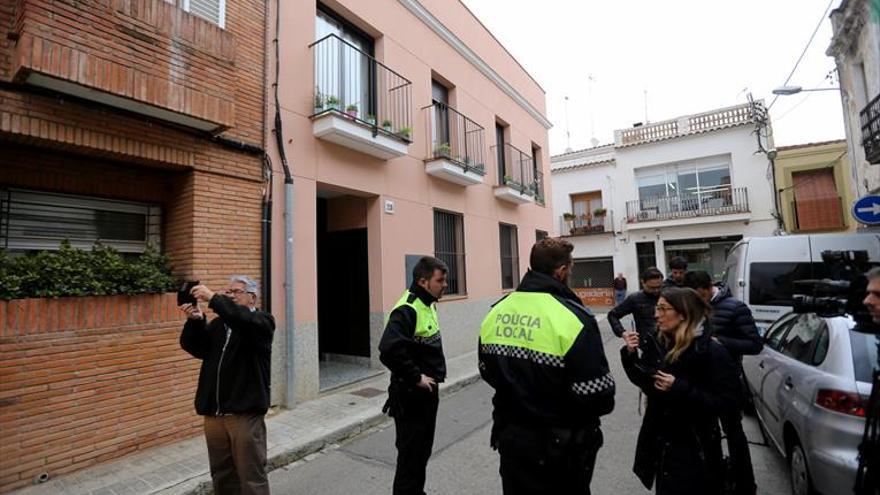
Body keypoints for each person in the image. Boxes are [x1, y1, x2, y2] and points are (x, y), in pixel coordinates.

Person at [479, 237, 615, 495]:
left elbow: (487, 371)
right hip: (561, 448)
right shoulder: (574, 317)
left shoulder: (496, 312)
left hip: (512, 439)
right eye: (571, 269)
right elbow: (599, 396)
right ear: (562, 271)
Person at [620, 287, 740, 495]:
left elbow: (728, 404)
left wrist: (680, 388)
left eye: (663, 309)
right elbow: (649, 384)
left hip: (696, 448)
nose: (656, 314)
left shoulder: (712, 351)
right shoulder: (660, 342)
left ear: (683, 313)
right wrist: (630, 356)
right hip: (663, 445)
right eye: (657, 308)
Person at [179, 275, 275, 495]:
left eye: (236, 292)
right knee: (222, 474)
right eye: (228, 292)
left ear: (252, 297)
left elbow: (243, 321)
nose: (230, 296)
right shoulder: (219, 325)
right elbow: (196, 348)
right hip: (215, 413)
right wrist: (195, 321)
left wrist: (213, 298)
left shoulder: (262, 322)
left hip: (244, 414)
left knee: (251, 476)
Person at [683, 270, 761, 495]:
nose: (697, 302)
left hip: (727, 384)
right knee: (708, 436)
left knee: (734, 434)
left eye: (700, 297)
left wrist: (721, 342)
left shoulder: (735, 307)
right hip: (700, 385)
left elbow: (755, 344)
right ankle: (715, 479)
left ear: (709, 288)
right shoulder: (692, 306)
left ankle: (745, 483)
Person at [379, 256, 448, 495]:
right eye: (440, 280)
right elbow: (388, 350)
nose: (445, 284)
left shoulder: (428, 303)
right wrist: (416, 377)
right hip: (411, 397)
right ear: (423, 281)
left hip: (425, 396)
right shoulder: (407, 309)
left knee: (421, 453)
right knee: (410, 457)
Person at [607, 267, 664, 337]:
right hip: (646, 343)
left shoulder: (669, 296)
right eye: (652, 288)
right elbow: (612, 315)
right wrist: (622, 332)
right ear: (643, 282)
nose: (656, 290)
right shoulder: (635, 299)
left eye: (659, 287)